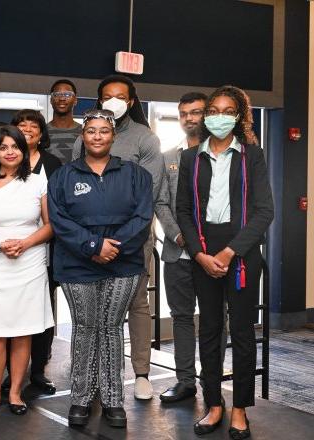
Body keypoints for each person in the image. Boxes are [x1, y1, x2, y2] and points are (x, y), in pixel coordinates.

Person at [177, 86, 274, 439]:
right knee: (210, 331)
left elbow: (265, 211)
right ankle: (214, 404)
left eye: (227, 110)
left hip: (242, 251)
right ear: (206, 117)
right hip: (203, 252)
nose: (219, 115)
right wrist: (200, 254)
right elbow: (183, 211)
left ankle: (240, 410)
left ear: (239, 115)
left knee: (244, 334)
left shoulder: (253, 155)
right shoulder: (191, 158)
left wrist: (230, 252)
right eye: (213, 110)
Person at [49, 109, 153, 428]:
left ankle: (112, 400)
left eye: (103, 131)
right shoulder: (64, 176)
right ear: (83, 136)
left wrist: (112, 247)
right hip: (77, 264)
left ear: (113, 136)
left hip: (123, 264)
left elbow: (142, 217)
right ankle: (80, 398)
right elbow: (59, 219)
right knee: (85, 327)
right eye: (91, 131)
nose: (97, 136)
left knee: (111, 328)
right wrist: (93, 247)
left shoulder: (137, 174)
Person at [72, 75, 163, 400]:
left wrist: (118, 240)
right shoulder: (84, 138)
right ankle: (96, 376)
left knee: (137, 303)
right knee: (96, 310)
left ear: (132, 101)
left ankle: (140, 373)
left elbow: (147, 195)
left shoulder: (145, 139)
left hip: (134, 238)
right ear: (98, 102)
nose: (113, 101)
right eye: (107, 96)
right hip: (91, 243)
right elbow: (74, 190)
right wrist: (94, 242)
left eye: (120, 97)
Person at [0, 125, 54, 416]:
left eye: (15, 146)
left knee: (23, 334)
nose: (10, 152)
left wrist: (26, 243)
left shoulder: (39, 182)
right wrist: (0, 244)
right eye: (3, 147)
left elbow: (50, 225)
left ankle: (16, 393)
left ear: (23, 149)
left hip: (29, 264)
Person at [156, 91, 223, 404]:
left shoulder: (223, 154)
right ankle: (185, 382)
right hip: (177, 253)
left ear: (207, 115)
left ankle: (213, 384)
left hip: (213, 256)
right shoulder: (169, 156)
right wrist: (180, 237)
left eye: (195, 112)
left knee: (213, 319)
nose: (189, 119)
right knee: (181, 317)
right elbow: (161, 202)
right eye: (183, 113)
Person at [7, 109, 62, 395]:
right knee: (12, 311)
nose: (27, 129)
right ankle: (11, 372)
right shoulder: (3, 162)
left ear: (42, 134)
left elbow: (60, 208)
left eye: (33, 126)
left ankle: (38, 370)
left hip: (45, 249)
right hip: (8, 251)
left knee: (43, 311)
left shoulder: (53, 164)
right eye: (21, 125)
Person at [45, 79, 82, 164]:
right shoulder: (40, 132)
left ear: (75, 100)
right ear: (51, 100)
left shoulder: (86, 132)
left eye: (67, 94)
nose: (62, 98)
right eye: (57, 95)